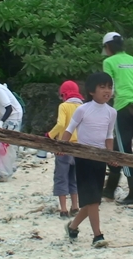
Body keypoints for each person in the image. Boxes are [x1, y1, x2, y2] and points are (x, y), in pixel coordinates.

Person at [62, 72, 117, 248]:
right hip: (83, 157)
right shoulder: (83, 109)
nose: (107, 91)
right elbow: (70, 129)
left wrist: (111, 156)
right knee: (92, 199)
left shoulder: (112, 112)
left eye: (109, 87)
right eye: (102, 87)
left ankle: (72, 226)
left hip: (100, 157)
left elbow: (109, 136)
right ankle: (97, 236)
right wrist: (61, 147)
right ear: (92, 91)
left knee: (93, 199)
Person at [101, 32, 133, 206]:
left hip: (123, 107)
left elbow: (109, 88)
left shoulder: (109, 62)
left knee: (122, 150)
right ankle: (109, 190)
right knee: (119, 146)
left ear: (107, 47)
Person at [46, 81, 84, 219]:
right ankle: (75, 206)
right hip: (80, 147)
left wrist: (50, 135)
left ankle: (63, 209)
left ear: (64, 94)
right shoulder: (82, 106)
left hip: (64, 146)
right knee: (74, 178)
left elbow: (61, 124)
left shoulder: (63, 106)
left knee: (61, 177)